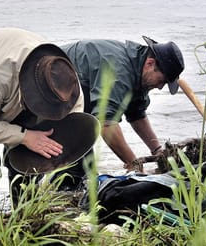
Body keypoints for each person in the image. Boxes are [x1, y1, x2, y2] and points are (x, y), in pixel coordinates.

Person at [0, 27, 84, 207]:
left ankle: (24, 214)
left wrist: (54, 154)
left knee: (32, 158)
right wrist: (25, 136)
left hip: (14, 87)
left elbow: (72, 124)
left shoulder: (65, 82)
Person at [58, 36, 184, 186]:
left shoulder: (139, 70)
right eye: (162, 81)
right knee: (79, 175)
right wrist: (135, 166)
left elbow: (137, 114)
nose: (160, 87)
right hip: (49, 90)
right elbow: (107, 125)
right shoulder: (119, 71)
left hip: (74, 106)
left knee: (86, 177)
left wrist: (157, 151)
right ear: (150, 64)